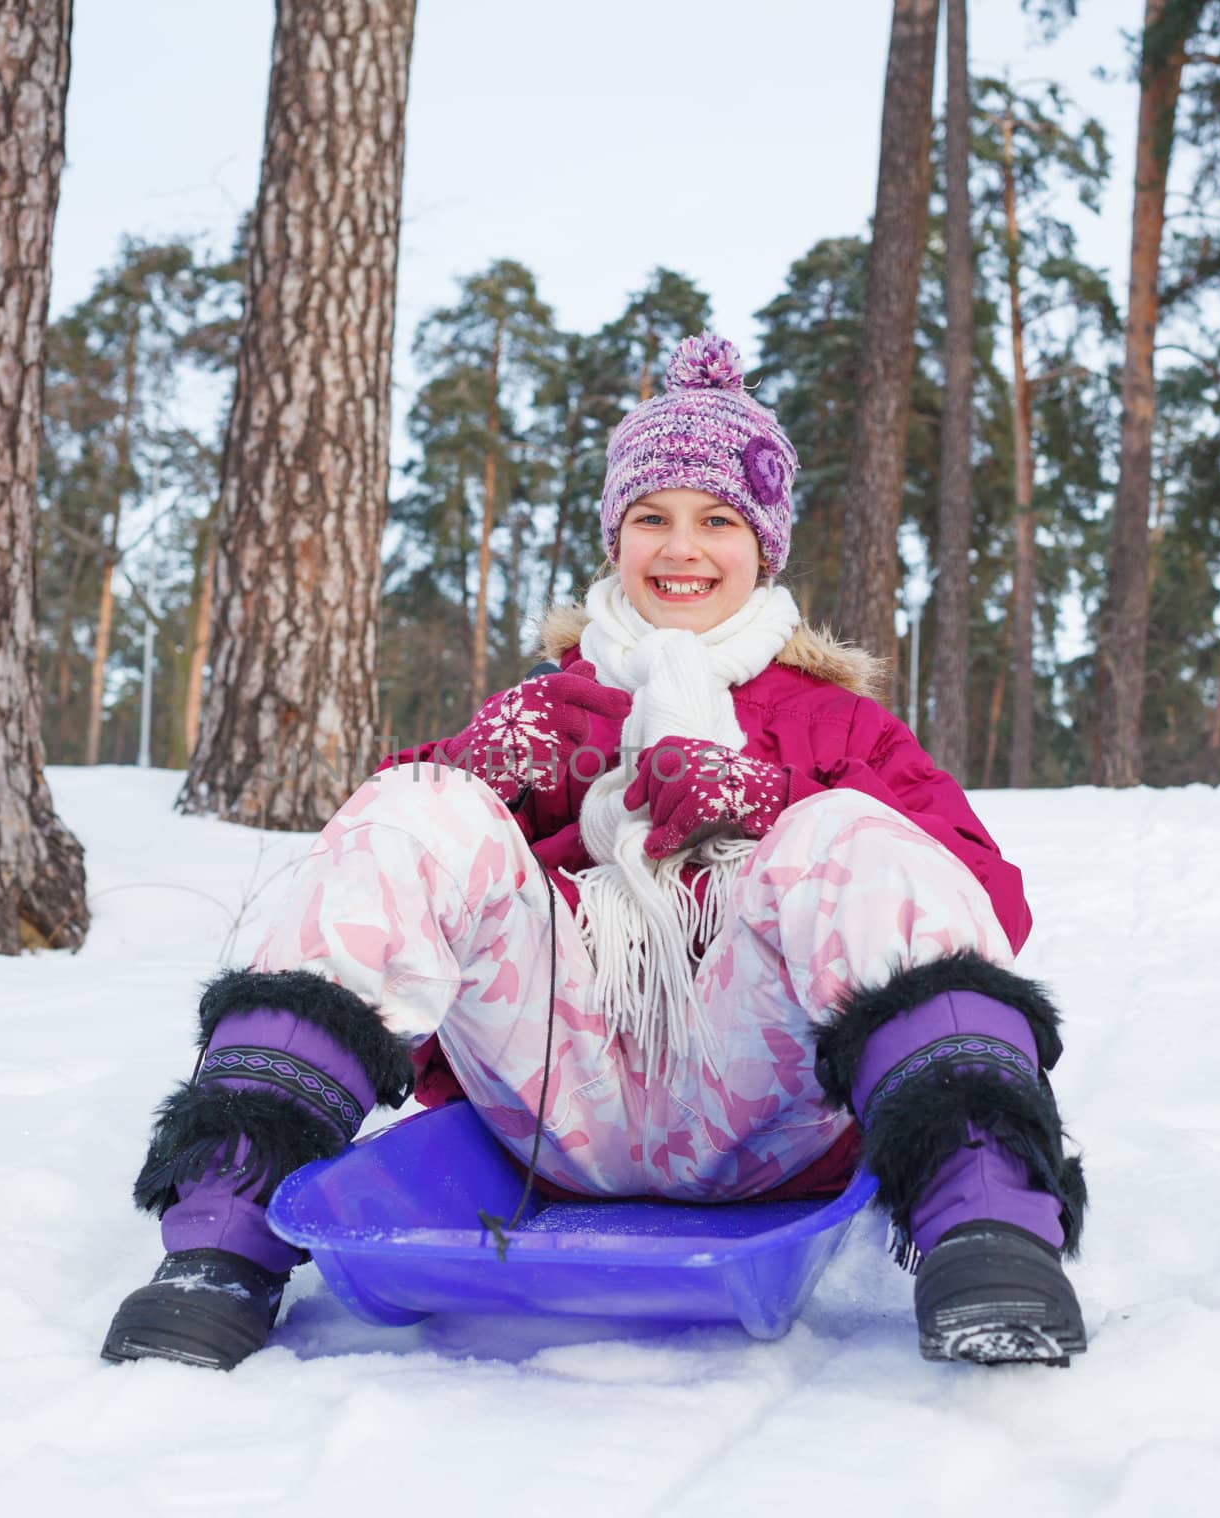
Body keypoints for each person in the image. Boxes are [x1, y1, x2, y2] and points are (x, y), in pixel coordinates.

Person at [102, 332, 1087, 1372]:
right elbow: (392, 883)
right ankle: (220, 1250)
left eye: (716, 521)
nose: (680, 549)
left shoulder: (830, 721)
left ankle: (986, 1234)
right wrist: (478, 772)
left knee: (852, 833)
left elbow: (973, 897)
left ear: (763, 544)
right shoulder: (547, 702)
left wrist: (771, 801)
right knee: (418, 803)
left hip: (768, 1101)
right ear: (614, 535)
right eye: (650, 518)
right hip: (553, 1099)